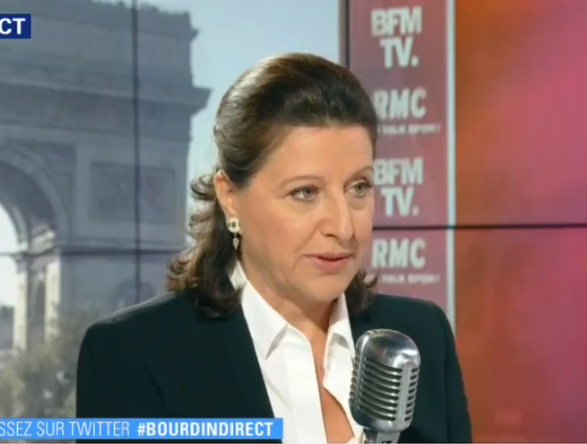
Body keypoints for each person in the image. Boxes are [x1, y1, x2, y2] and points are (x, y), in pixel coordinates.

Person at [76, 52, 472, 443]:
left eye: (358, 187)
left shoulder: (420, 336)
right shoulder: (135, 354)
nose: (343, 226)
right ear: (230, 196)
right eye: (305, 192)